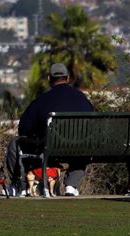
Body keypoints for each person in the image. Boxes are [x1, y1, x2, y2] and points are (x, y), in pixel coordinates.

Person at [5, 63, 95, 196]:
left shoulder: (42, 100)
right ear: (68, 78)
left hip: (49, 147)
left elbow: (24, 128)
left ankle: (19, 185)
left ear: (49, 79)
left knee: (15, 143)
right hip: (79, 146)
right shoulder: (81, 98)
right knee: (82, 147)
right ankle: (71, 185)